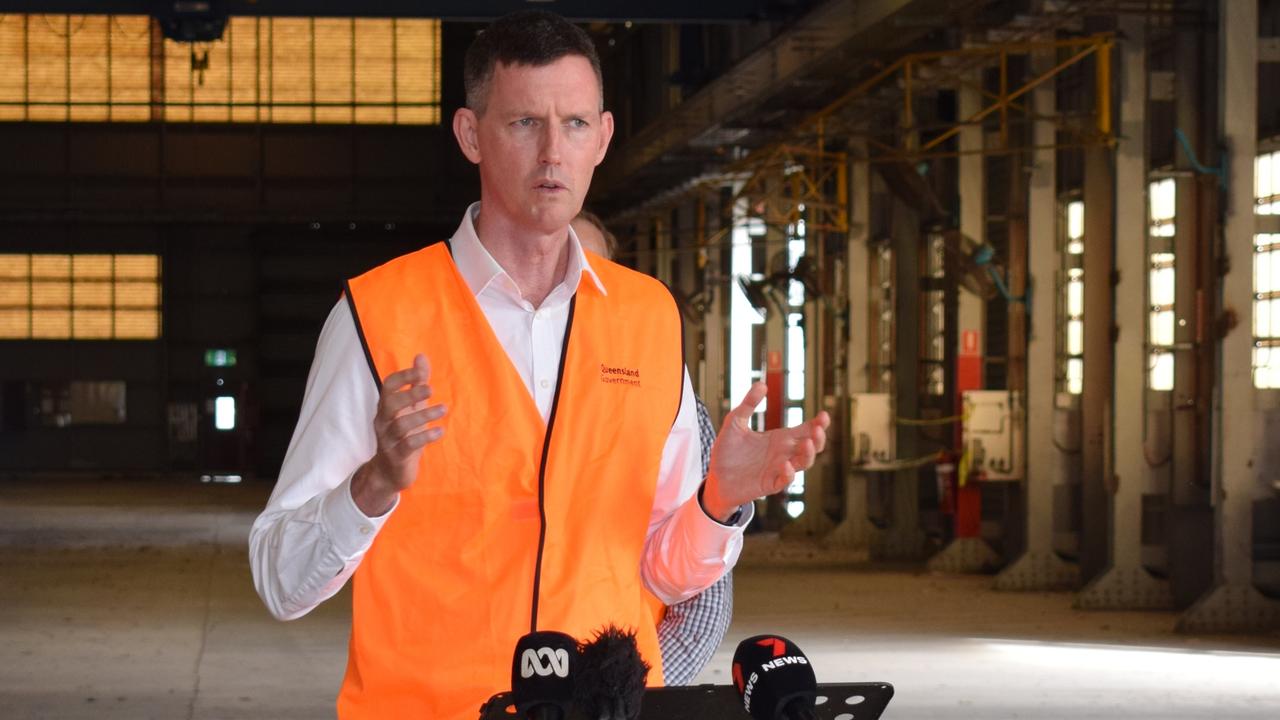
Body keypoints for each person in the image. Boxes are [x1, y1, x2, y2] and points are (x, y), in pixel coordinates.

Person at [249, 11, 829, 719]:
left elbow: (661, 573)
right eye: (525, 124)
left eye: (576, 124)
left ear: (604, 137)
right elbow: (279, 578)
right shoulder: (377, 318)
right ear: (471, 135)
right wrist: (373, 486)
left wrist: (718, 502)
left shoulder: (647, 319)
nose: (554, 153)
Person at [571, 210, 733, 686]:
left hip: (623, 684)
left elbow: (703, 605)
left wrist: (640, 693)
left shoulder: (668, 399)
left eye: (588, 272)